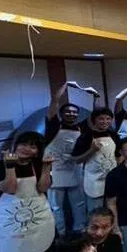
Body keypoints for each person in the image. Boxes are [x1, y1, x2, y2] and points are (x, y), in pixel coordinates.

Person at [44, 82, 92, 235]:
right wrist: (64, 85)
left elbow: (95, 117)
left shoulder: (80, 128)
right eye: (68, 112)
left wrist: (94, 97)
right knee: (56, 206)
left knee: (78, 203)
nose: (71, 114)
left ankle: (80, 229)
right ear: (61, 114)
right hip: (55, 170)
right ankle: (60, 232)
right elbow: (54, 101)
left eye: (74, 112)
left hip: (74, 169)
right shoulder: (53, 126)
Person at [72, 107, 121, 212]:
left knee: (112, 208)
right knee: (95, 211)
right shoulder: (85, 136)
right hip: (94, 180)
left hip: (112, 178)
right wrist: (92, 150)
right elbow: (76, 159)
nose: (105, 122)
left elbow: (118, 155)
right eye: (101, 119)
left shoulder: (114, 135)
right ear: (94, 120)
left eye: (108, 119)